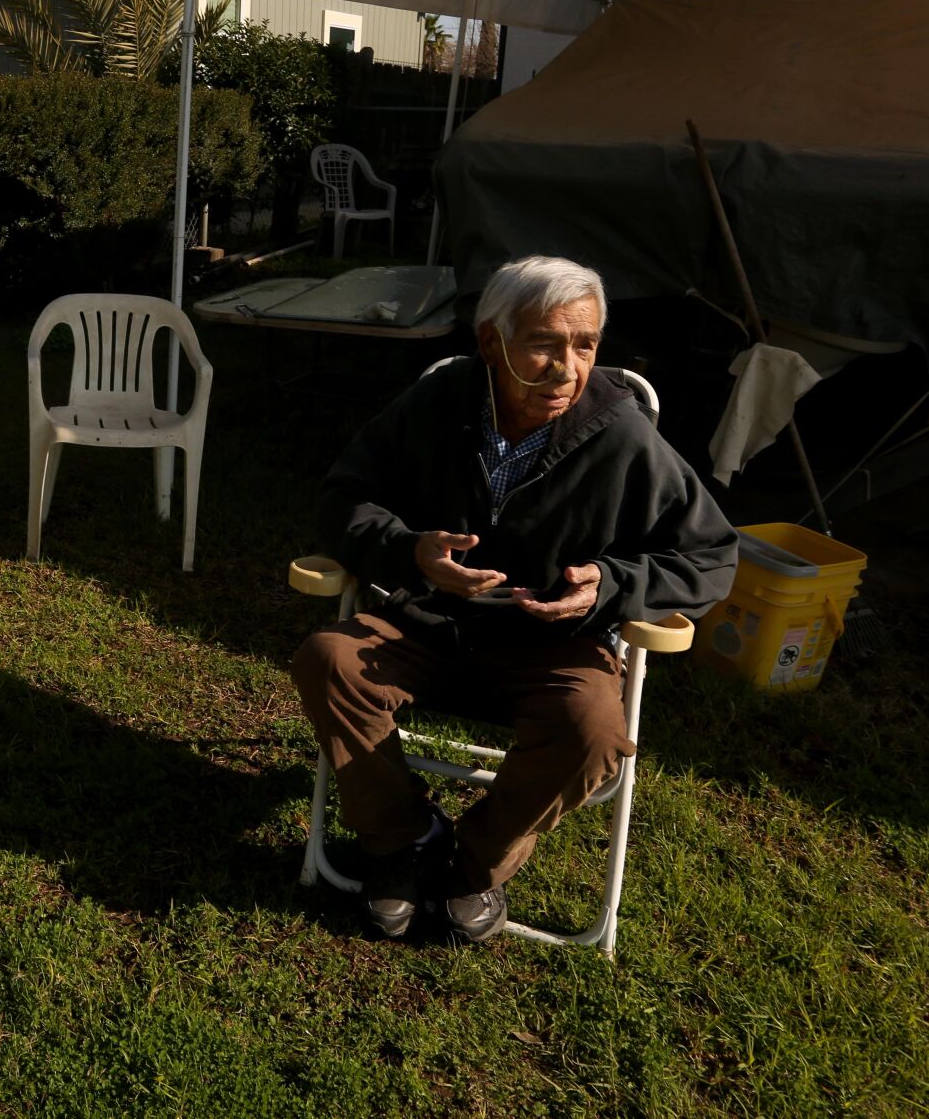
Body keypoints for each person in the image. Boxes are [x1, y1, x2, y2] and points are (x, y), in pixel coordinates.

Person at [292, 256, 734, 943]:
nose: (567, 368)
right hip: (428, 625)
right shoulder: (439, 402)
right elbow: (341, 496)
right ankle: (401, 838)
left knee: (593, 729)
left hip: (551, 642)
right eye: (544, 343)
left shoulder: (620, 432)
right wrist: (410, 550)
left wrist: (613, 585)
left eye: (584, 345)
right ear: (492, 342)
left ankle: (473, 862)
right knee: (328, 659)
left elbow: (712, 553)